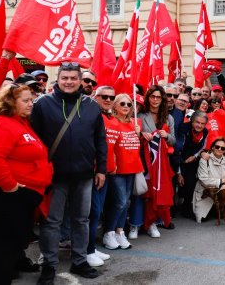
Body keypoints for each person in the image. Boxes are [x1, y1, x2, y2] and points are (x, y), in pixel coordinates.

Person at [0, 85, 52, 284]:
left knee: (2, 244)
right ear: (9, 102)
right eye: (25, 100)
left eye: (31, 100)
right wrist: (11, 188)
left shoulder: (19, 122)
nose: (31, 104)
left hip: (10, 193)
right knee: (2, 246)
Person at [33, 63, 107, 284]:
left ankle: (79, 260)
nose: (69, 82)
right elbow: (34, 141)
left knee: (81, 221)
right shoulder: (42, 105)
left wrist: (101, 169)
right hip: (54, 177)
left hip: (84, 175)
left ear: (79, 80)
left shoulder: (92, 106)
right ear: (58, 78)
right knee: (52, 223)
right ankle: (49, 265)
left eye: (73, 78)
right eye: (65, 77)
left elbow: (100, 140)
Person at [101, 94, 143, 253]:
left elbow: (136, 145)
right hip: (118, 168)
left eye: (129, 104)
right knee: (119, 202)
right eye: (122, 103)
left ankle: (119, 231)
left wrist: (138, 134)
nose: (126, 106)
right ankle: (109, 232)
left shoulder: (135, 122)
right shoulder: (111, 122)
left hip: (133, 167)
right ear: (115, 105)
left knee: (127, 202)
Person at [137, 85, 176, 238]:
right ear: (148, 98)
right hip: (144, 160)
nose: (155, 100)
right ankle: (138, 223)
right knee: (145, 193)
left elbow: (174, 141)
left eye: (158, 97)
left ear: (162, 99)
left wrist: (166, 135)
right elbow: (135, 136)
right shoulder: (140, 116)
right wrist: (142, 134)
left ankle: (153, 222)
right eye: (152, 97)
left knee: (159, 192)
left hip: (162, 164)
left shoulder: (168, 117)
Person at [86, 86, 116, 266]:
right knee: (92, 213)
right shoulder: (90, 115)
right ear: (95, 97)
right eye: (103, 96)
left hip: (102, 172)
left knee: (96, 214)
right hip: (88, 172)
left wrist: (104, 169)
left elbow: (105, 145)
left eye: (110, 97)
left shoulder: (107, 117)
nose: (107, 99)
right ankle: (86, 251)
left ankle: (90, 248)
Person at [192, 138, 225, 222]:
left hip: (221, 192)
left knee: (224, 214)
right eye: (217, 147)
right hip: (206, 192)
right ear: (212, 147)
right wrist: (221, 181)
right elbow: (203, 180)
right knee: (202, 218)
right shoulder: (204, 160)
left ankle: (220, 208)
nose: (219, 149)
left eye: (223, 148)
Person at [175, 111, 208, 219]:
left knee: (189, 184)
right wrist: (179, 172)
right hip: (178, 158)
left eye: (202, 124)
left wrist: (195, 156)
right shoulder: (183, 129)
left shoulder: (205, 132)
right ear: (192, 121)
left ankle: (186, 206)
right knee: (177, 181)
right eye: (197, 122)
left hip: (192, 159)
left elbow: (203, 146)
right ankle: (173, 207)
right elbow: (178, 150)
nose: (199, 125)